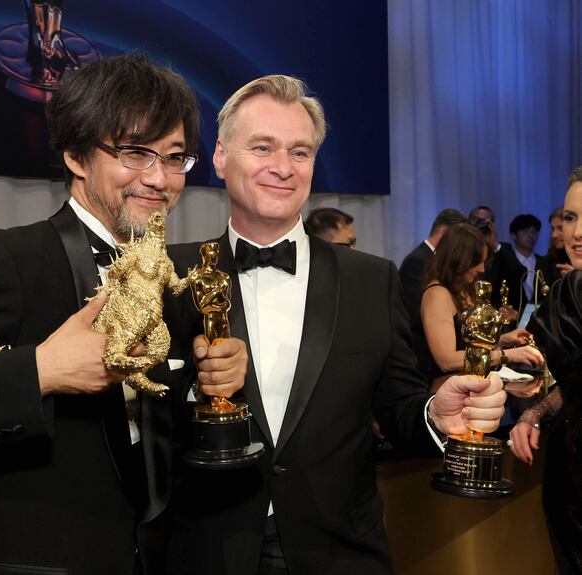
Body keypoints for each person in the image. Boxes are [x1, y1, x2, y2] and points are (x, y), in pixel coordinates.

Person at [0, 54, 247, 575]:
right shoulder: (4, 260)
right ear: (78, 157)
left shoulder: (174, 273)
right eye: (135, 153)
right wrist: (40, 370)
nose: (160, 178)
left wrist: (210, 380)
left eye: (174, 158)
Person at [165, 75, 507, 575]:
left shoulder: (372, 280)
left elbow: (397, 407)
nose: (282, 167)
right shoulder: (171, 275)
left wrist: (438, 414)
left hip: (339, 552)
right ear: (219, 156)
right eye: (263, 147)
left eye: (299, 152)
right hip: (205, 549)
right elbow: (144, 422)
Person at [509, 165, 582, 574]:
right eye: (570, 217)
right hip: (569, 478)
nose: (576, 233)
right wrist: (536, 413)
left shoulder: (571, 292)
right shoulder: (566, 293)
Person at [420, 223, 543, 382]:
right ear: (458, 259)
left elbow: (465, 344)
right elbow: (447, 360)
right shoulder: (437, 294)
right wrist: (506, 355)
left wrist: (503, 340)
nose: (482, 269)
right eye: (477, 262)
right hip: (447, 389)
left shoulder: (462, 289)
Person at [399, 208, 468, 377]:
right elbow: (415, 312)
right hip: (423, 359)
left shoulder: (431, 259)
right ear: (444, 234)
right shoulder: (418, 261)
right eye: (455, 239)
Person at [469, 205, 521, 321]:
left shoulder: (502, 249)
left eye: (486, 222)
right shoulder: (463, 249)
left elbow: (520, 273)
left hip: (496, 315)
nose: (481, 225)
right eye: (477, 221)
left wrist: (494, 243)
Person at [543, 206, 573, 285]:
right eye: (552, 229)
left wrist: (576, 278)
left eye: (560, 228)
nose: (554, 235)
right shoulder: (546, 263)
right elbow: (540, 296)